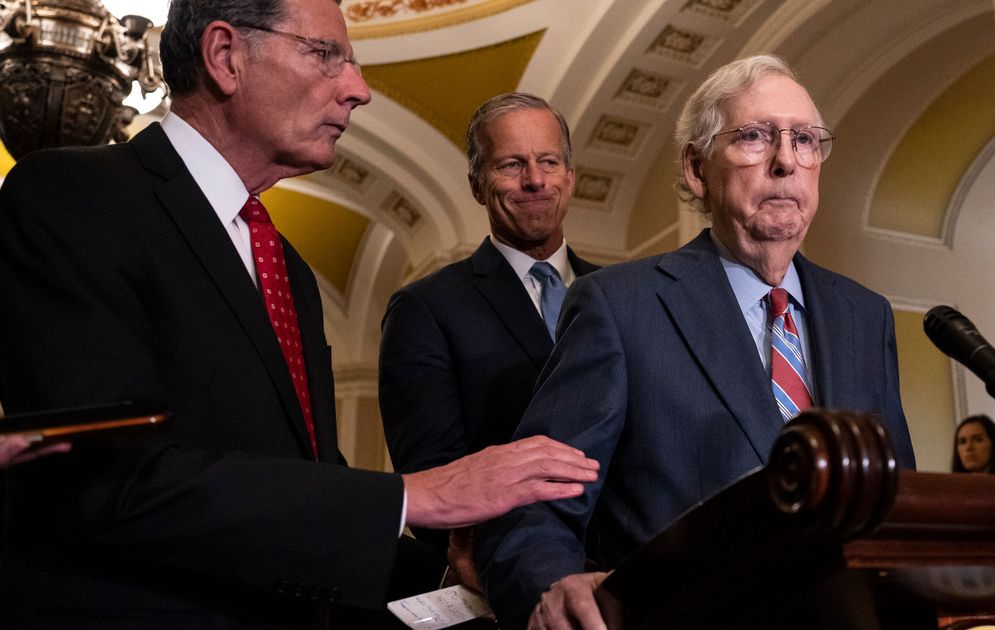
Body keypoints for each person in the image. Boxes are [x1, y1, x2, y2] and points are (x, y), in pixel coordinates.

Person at [0, 1, 598, 626]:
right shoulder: (72, 198)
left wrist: (452, 580)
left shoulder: (288, 268)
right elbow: (105, 487)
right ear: (226, 56)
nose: (358, 90)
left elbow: (306, 490)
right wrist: (413, 495)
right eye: (325, 55)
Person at [477, 54, 916, 628]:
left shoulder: (866, 315)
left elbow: (899, 505)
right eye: (756, 137)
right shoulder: (620, 307)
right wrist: (556, 589)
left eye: (805, 140)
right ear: (695, 168)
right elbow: (535, 507)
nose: (786, 161)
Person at [378, 93, 599, 586]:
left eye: (548, 161)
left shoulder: (624, 295)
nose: (535, 179)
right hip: (508, 579)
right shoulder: (425, 309)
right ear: (478, 185)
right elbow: (435, 476)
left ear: (570, 176)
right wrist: (518, 567)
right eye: (511, 164)